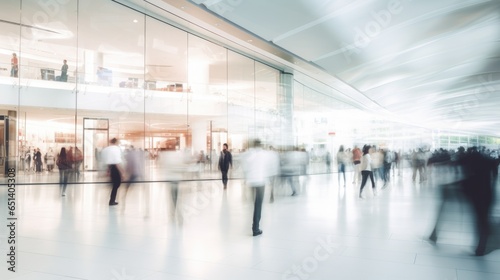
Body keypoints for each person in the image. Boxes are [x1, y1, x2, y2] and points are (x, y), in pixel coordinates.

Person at [241, 139, 280, 236]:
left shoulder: (249, 153)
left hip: (251, 181)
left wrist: (246, 178)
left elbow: (244, 166)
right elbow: (270, 167)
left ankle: (254, 225)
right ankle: (255, 229)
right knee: (258, 205)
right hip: (260, 181)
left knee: (253, 204)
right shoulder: (265, 154)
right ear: (260, 145)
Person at [101, 138, 124, 206]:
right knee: (116, 184)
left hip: (111, 167)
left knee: (115, 184)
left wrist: (108, 170)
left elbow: (108, 160)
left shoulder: (108, 149)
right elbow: (117, 162)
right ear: (116, 142)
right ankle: (112, 200)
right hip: (115, 168)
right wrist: (122, 172)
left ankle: (112, 199)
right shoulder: (116, 149)